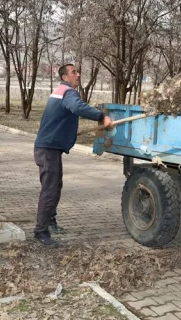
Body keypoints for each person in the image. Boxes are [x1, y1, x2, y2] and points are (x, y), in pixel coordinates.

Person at [33, 64, 114, 246]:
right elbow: (78, 108)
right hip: (48, 149)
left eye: (78, 71)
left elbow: (64, 115)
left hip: (50, 147)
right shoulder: (68, 92)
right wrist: (102, 117)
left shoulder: (60, 91)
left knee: (55, 186)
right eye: (73, 72)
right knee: (50, 190)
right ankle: (41, 231)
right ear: (64, 77)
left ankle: (50, 220)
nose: (78, 74)